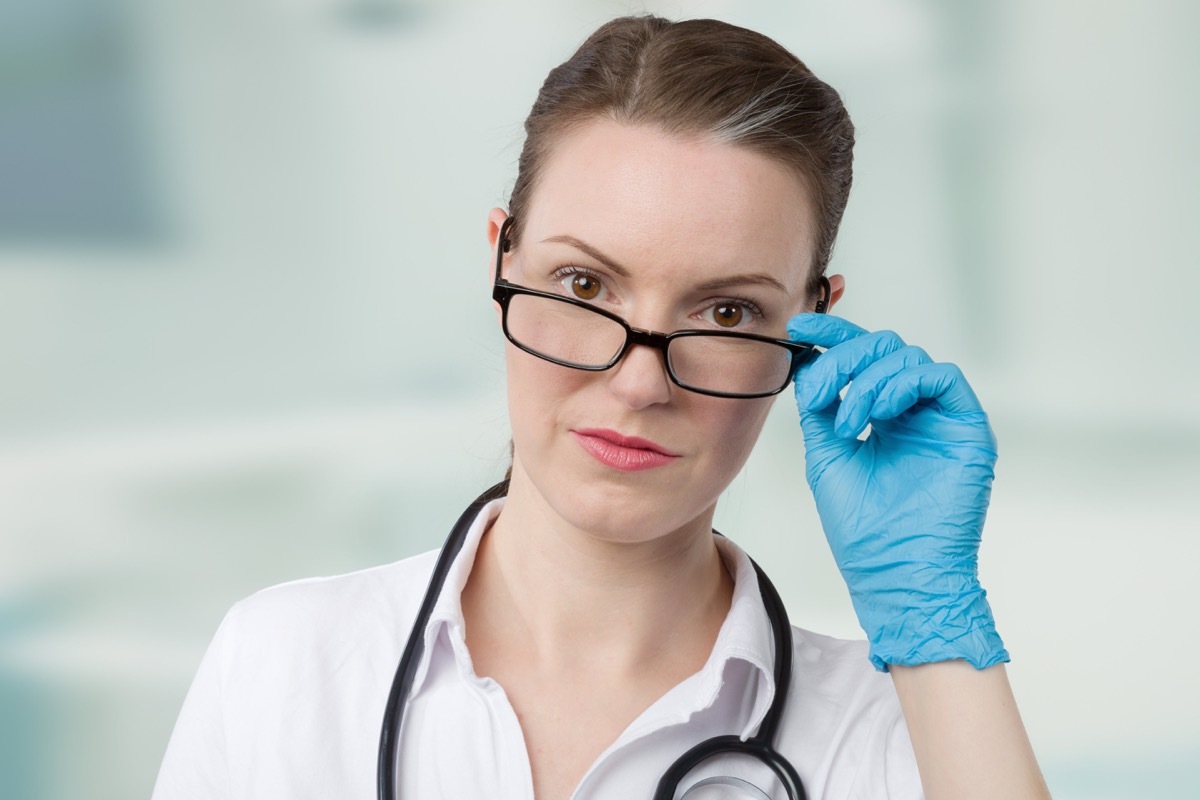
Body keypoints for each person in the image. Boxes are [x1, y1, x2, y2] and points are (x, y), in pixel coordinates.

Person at [153, 15, 1050, 800]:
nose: (640, 383)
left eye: (727, 312)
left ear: (813, 326)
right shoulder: (282, 664)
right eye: (584, 283)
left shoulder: (902, 734)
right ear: (503, 258)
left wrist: (934, 626)